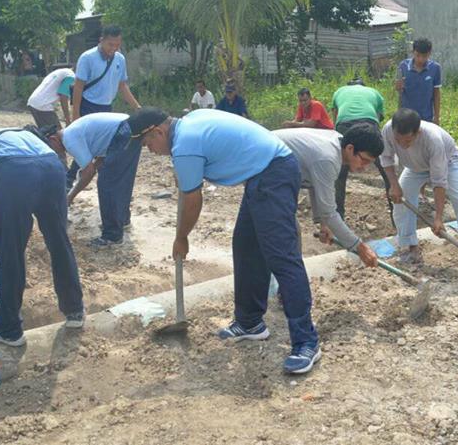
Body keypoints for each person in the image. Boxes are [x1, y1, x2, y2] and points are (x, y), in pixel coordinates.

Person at [134, 107, 320, 374]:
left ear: (159, 131)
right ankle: (250, 322)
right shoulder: (187, 127)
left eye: (147, 142)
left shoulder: (185, 143)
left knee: (282, 259)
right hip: (261, 173)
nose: (149, 149)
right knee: (246, 247)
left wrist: (181, 238)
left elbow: (193, 200)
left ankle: (306, 342)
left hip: (274, 171)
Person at [0, 123, 84, 346]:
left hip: (13, 172)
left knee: (10, 249)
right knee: (59, 240)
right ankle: (75, 311)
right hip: (51, 165)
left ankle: (8, 329)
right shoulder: (6, 133)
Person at [382, 109, 458, 265]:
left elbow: (439, 181)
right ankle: (410, 248)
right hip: (414, 167)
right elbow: (386, 158)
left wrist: (438, 217)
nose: (402, 145)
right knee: (400, 203)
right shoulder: (388, 130)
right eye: (398, 140)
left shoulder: (433, 139)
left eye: (407, 141)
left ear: (417, 133)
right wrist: (394, 185)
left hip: (449, 163)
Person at [273, 124, 382, 266]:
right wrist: (360, 247)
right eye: (364, 160)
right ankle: (291, 282)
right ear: (350, 149)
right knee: (290, 233)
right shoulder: (328, 158)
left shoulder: (336, 144)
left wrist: (324, 224)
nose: (365, 167)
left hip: (272, 168)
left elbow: (314, 183)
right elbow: (329, 212)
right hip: (266, 168)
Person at [52, 112, 143, 247]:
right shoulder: (74, 132)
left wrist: (70, 197)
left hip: (123, 130)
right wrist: (93, 167)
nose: (53, 152)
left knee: (108, 183)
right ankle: (122, 220)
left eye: (50, 148)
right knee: (120, 180)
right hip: (130, 127)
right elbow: (103, 155)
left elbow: (89, 173)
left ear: (53, 139)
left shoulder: (69, 139)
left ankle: (112, 236)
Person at [67, 25, 141, 186]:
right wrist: (76, 115)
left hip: (106, 108)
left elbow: (122, 86)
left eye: (117, 45)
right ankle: (69, 179)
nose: (113, 49)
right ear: (102, 40)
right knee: (85, 145)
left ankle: (105, 180)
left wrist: (137, 107)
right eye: (110, 45)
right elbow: (78, 87)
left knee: (105, 146)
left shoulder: (120, 59)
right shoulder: (87, 58)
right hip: (88, 105)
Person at [330, 77, 392, 219]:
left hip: (344, 124)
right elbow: (379, 116)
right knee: (385, 167)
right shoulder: (373, 92)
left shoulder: (340, 91)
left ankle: (338, 217)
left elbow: (335, 117)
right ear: (364, 86)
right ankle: (397, 213)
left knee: (340, 173)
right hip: (368, 122)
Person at [395, 37, 442, 124]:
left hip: (426, 117)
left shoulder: (435, 68)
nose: (421, 59)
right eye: (418, 55)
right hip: (406, 116)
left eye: (425, 56)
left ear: (430, 53)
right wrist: (398, 87)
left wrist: (437, 117)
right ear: (413, 52)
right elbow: (399, 92)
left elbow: (436, 94)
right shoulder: (403, 66)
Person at [27, 64, 75, 129]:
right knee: (58, 135)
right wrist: (68, 120)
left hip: (33, 102)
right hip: (43, 105)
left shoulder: (61, 72)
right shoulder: (71, 76)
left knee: (46, 134)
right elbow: (63, 96)